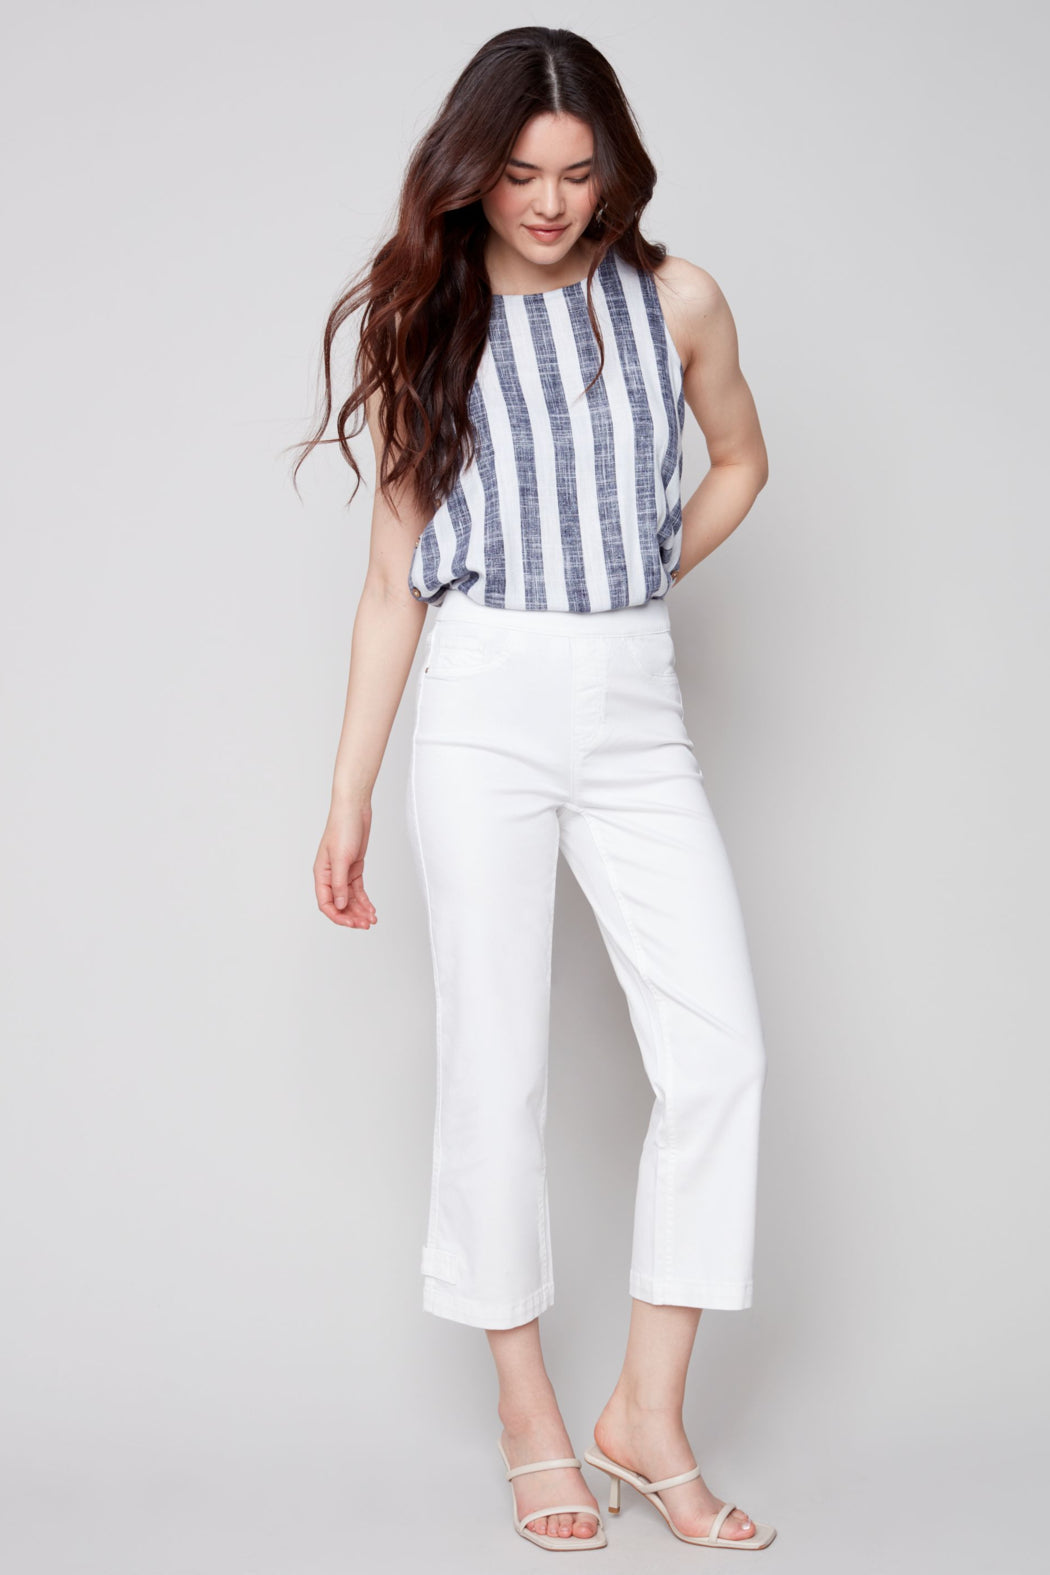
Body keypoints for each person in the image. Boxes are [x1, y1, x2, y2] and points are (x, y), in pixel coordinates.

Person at [293, 25, 776, 1555]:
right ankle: (529, 1416)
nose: (551, 203)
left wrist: (629, 571)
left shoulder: (675, 299)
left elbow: (739, 460)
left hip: (633, 697)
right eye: (518, 173)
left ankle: (645, 1413)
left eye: (577, 173)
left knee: (718, 1057)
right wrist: (347, 798)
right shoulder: (425, 319)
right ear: (469, 171)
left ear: (613, 170)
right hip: (482, 700)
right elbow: (392, 579)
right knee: (494, 1065)